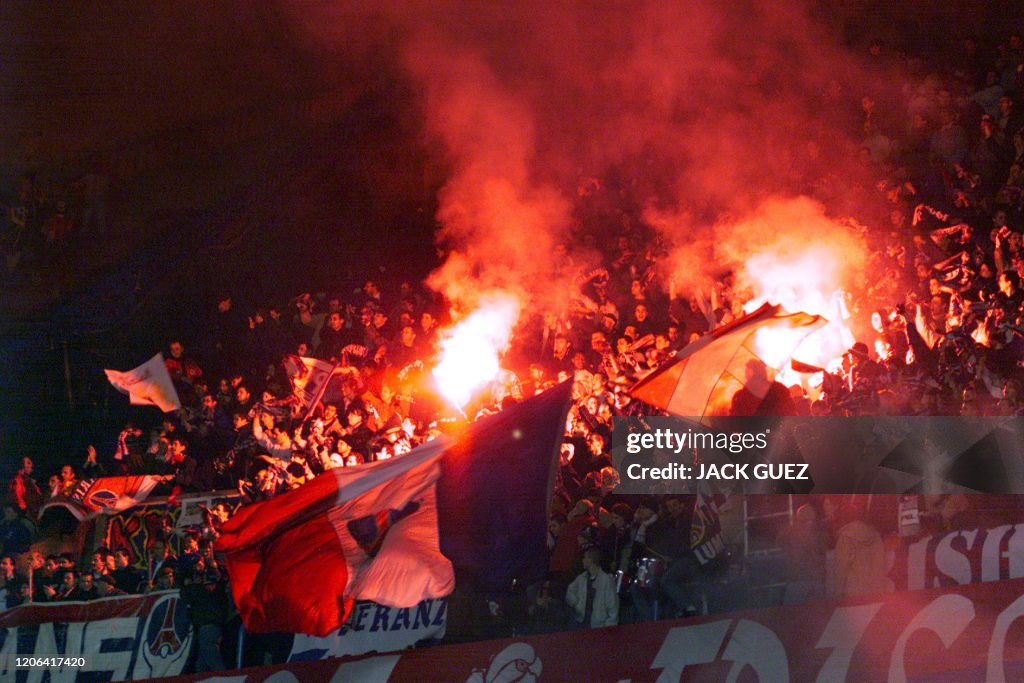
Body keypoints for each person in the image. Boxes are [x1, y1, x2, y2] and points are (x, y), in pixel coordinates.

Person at [565, 547, 619, 629]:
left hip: (598, 628)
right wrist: (577, 604)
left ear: (590, 560)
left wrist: (608, 629)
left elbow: (613, 608)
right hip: (582, 624)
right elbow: (570, 592)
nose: (583, 560)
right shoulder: (582, 578)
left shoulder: (606, 581)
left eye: (585, 557)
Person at [729, 359, 796, 416]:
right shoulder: (778, 388)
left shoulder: (742, 396)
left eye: (747, 371)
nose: (745, 375)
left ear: (753, 372)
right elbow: (790, 411)